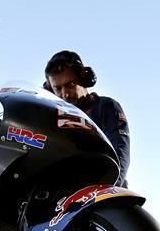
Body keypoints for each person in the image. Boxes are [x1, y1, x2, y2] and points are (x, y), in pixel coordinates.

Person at [44, 50, 131, 187]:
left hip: (104, 194)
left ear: (84, 80)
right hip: (63, 199)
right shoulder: (50, 117)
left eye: (70, 85)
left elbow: (120, 152)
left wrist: (106, 189)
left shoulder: (106, 107)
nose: (65, 94)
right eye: (58, 88)